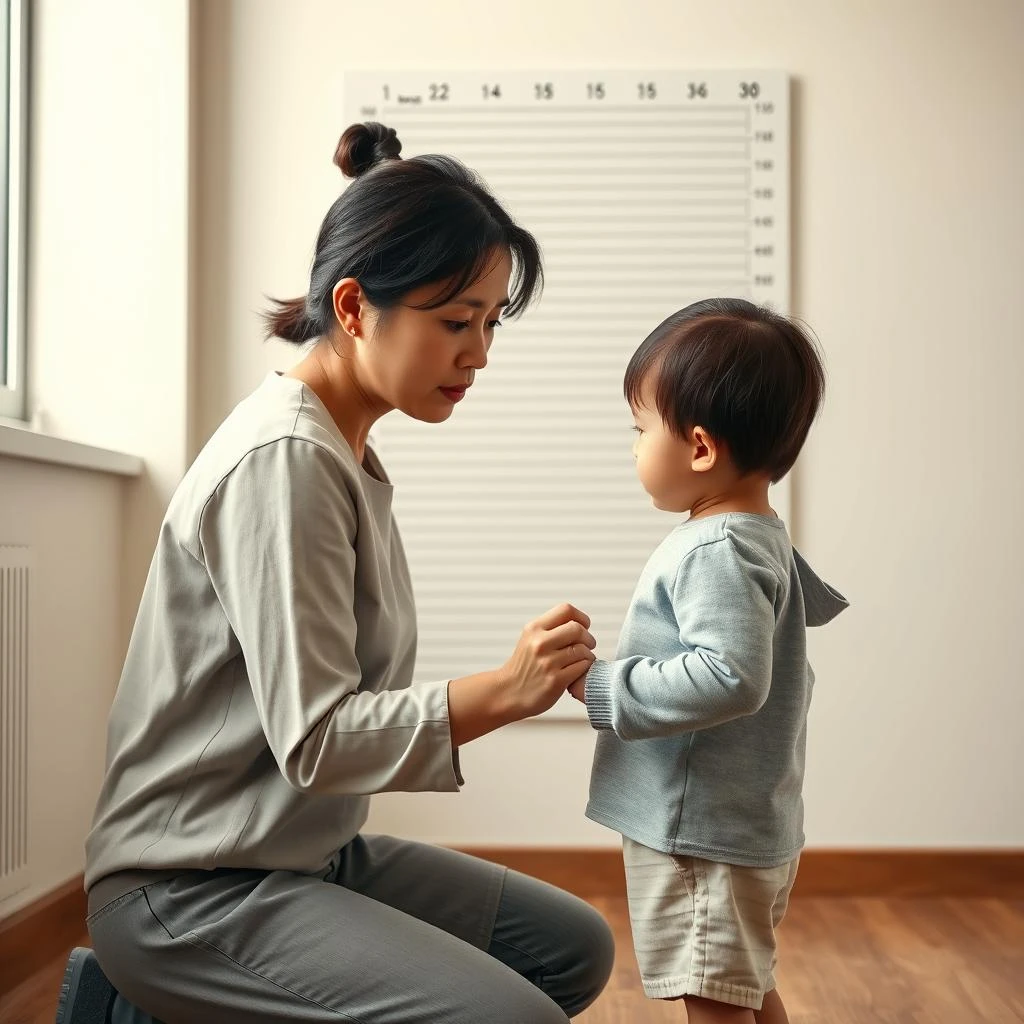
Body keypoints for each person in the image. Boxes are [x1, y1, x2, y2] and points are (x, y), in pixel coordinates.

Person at [56, 122, 615, 1024]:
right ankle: (135, 1000)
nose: (478, 354)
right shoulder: (287, 460)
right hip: (190, 885)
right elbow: (318, 740)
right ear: (354, 309)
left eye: (489, 323)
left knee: (567, 949)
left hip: (299, 855)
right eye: (455, 322)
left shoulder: (343, 450)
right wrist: (505, 692)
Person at [569, 298, 848, 1024]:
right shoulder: (759, 535)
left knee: (712, 999)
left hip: (701, 836)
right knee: (744, 987)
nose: (632, 448)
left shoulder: (715, 547)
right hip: (741, 827)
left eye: (640, 429)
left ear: (698, 448)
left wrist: (603, 686)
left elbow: (731, 676)